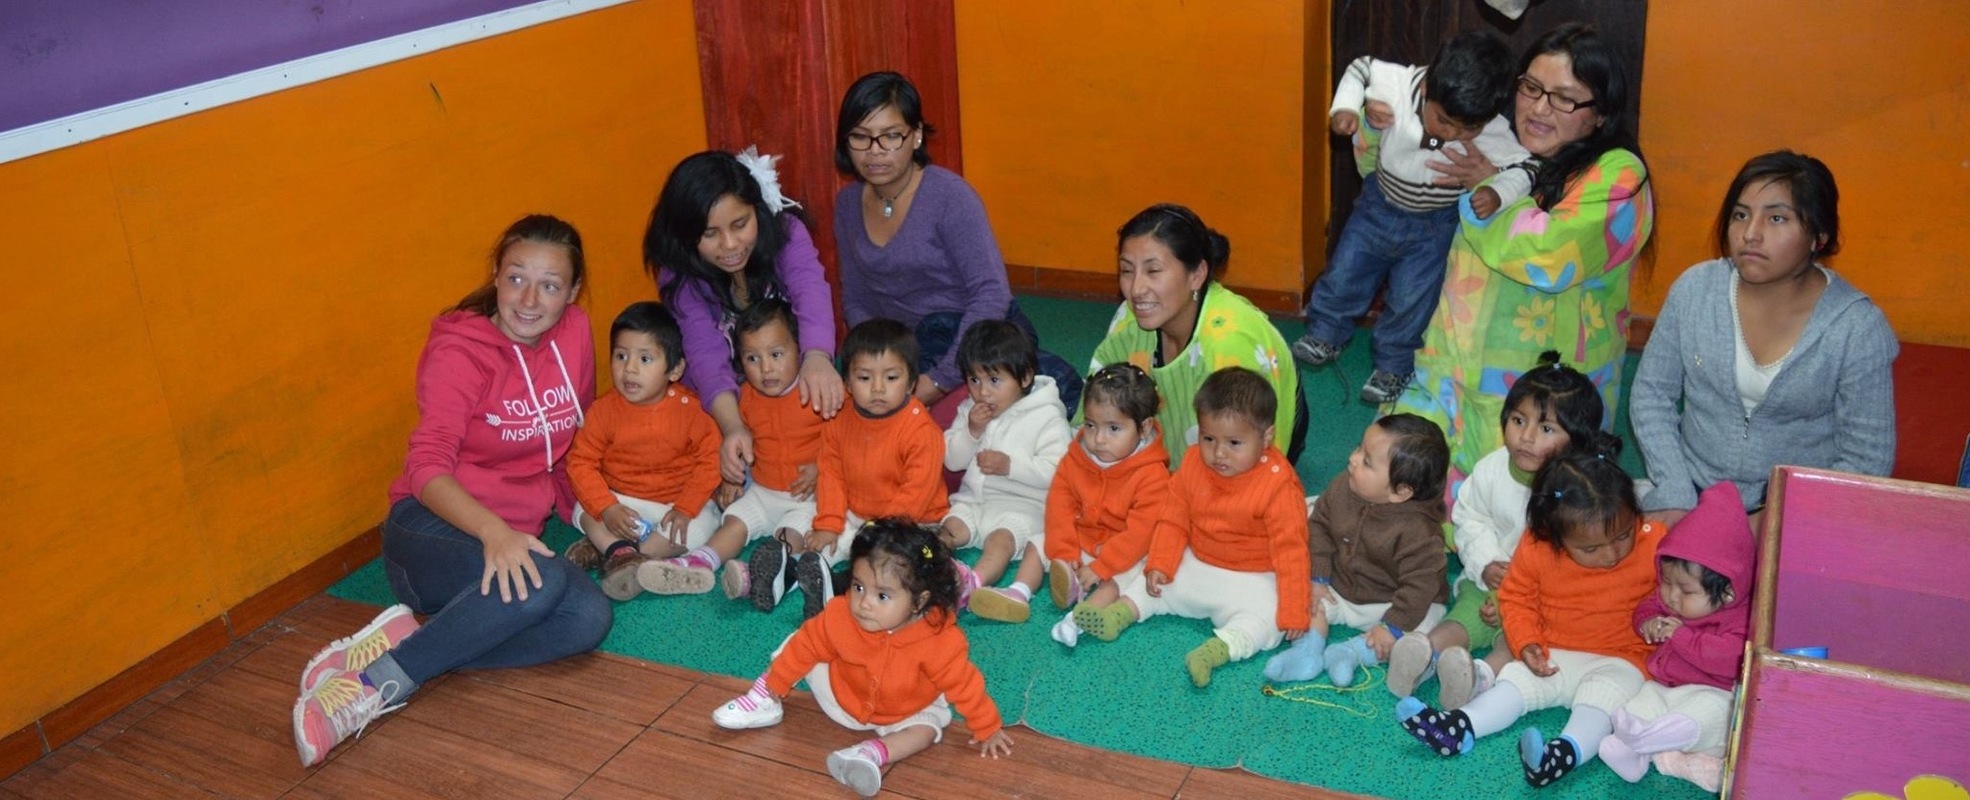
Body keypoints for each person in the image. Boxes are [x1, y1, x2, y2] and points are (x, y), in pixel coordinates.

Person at [293, 215, 610, 766]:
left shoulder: (575, 334)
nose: (529, 300)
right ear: (495, 273)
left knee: (587, 620)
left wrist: (590, 518)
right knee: (543, 582)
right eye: (516, 278)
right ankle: (375, 687)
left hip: (509, 543)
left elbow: (567, 442)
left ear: (573, 292)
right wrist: (494, 533)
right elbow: (425, 466)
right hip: (430, 532)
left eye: (551, 285)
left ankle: (411, 642)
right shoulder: (459, 350)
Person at [1390, 22, 1656, 492]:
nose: (1537, 107)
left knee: (1527, 520)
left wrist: (1490, 187)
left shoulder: (1620, 176)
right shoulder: (1498, 142)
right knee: (1388, 480)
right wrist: (1379, 125)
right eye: (1531, 87)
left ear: (1600, 114)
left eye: (1565, 98)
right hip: (1451, 365)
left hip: (1541, 399)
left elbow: (1549, 258)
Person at [1630, 150, 1896, 524]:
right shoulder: (1695, 291)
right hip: (1690, 494)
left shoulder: (1856, 328)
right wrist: (1675, 492)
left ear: (1818, 236)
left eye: (1776, 218)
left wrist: (1772, 524)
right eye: (1741, 215)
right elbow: (1652, 396)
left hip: (1797, 515)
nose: (1751, 234)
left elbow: (1867, 460)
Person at [1395, 437, 1665, 788]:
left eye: (1623, 536)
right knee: (1514, 685)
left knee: (1602, 703)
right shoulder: (1537, 547)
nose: (1612, 554)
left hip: (1624, 658)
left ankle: (1562, 754)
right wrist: (1526, 643)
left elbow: (1679, 591)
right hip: (1554, 650)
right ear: (1554, 536)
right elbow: (1517, 596)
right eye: (1592, 548)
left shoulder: (1655, 540)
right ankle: (1459, 726)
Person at [1293, 30, 1534, 404]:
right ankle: (1326, 332)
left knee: (1412, 300)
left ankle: (1394, 366)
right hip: (1378, 208)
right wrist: (1344, 108)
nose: (1452, 133)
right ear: (1425, 90)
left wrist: (1496, 189)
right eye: (1444, 120)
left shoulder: (1489, 126)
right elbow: (1360, 69)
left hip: (1433, 228)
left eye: (1468, 128)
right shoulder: (1401, 83)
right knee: (1346, 272)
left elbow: (1527, 165)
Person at [831, 71, 1082, 419]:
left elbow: (991, 294)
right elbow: (856, 296)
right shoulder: (847, 204)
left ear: (916, 135)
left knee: (952, 446)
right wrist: (878, 364)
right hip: (903, 352)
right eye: (860, 137)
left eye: (890, 136)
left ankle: (1033, 376)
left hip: (970, 339)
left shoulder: (951, 197)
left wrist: (940, 379)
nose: (875, 152)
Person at [712, 519, 1013, 798]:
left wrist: (987, 727)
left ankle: (870, 754)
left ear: (919, 602)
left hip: (901, 712)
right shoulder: (841, 615)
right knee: (803, 640)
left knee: (929, 726)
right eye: (858, 587)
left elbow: (964, 685)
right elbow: (806, 648)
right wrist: (779, 681)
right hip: (839, 693)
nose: (864, 603)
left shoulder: (940, 641)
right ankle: (765, 696)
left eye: (882, 596)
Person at [1073, 368, 1311, 687]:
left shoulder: (1279, 486)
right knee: (1151, 579)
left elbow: (1291, 552)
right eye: (1208, 438)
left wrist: (1295, 609)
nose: (1218, 453)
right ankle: (1119, 614)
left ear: (1266, 437)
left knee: (1269, 619)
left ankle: (1218, 649)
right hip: (1198, 561)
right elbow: (1173, 518)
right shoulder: (1193, 462)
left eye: (1234, 443)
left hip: (1255, 575)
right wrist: (1160, 562)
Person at [1392, 351, 1604, 708]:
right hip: (1490, 581)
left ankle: (1478, 677)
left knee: (1522, 639)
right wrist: (1487, 563)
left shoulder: (1579, 491)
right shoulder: (1492, 468)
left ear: (1577, 440)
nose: (1527, 436)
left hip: (1544, 599)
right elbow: (1470, 517)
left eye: (1547, 429)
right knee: (1463, 617)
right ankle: (1424, 652)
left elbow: (1579, 554)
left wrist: (1515, 601)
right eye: (1519, 421)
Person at [645, 148, 842, 491]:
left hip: (788, 381)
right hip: (719, 398)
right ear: (685, 236)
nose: (730, 244)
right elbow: (704, 353)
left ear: (759, 212)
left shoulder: (787, 234)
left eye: (740, 225)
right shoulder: (679, 274)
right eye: (710, 234)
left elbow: (811, 292)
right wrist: (733, 426)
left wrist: (817, 357)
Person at [634, 300, 825, 608]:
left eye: (776, 354)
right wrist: (733, 478)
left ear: (800, 350)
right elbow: (736, 445)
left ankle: (762, 576)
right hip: (762, 491)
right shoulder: (744, 398)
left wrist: (820, 468)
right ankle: (699, 563)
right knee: (733, 523)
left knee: (792, 537)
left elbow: (846, 441)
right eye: (752, 358)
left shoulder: (816, 390)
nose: (765, 369)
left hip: (806, 499)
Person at [1090, 204, 1306, 468]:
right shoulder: (1129, 319)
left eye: (1153, 271)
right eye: (1126, 270)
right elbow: (1093, 411)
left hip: (1255, 432)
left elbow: (1250, 458)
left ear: (1197, 275)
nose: (1136, 289)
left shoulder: (1230, 345)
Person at [1263, 414, 1451, 688]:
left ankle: (1350, 653)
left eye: (1366, 461)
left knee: (1429, 622)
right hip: (1338, 588)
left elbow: (1419, 586)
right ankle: (1308, 651)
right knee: (1302, 597)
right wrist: (1317, 579)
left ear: (1401, 492)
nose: (1353, 458)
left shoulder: (1420, 532)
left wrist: (1393, 626)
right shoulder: (1343, 486)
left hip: (1391, 602)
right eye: (1359, 448)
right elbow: (1319, 528)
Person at [1601, 481, 1756, 793]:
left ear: (1727, 592)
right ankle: (1649, 750)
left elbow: (1731, 660)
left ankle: (1652, 741)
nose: (1670, 596)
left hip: (1714, 692)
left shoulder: (1742, 616)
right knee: (1639, 706)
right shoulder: (1672, 598)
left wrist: (1681, 636)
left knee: (1711, 715)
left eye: (1684, 590)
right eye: (1666, 582)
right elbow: (1647, 606)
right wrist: (1647, 623)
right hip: (1666, 686)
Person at [561, 302, 722, 601]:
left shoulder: (691, 411)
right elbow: (581, 463)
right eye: (621, 356)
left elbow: (710, 459)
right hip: (623, 503)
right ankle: (617, 550)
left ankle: (630, 555)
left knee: (704, 524)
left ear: (674, 370)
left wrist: (685, 508)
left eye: (645, 358)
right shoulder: (604, 411)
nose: (630, 368)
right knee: (582, 510)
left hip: (674, 504)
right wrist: (607, 507)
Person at [802, 319, 949, 619]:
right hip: (858, 515)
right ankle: (790, 576)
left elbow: (916, 493)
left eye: (891, 377)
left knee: (901, 567)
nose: (878, 388)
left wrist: (880, 534)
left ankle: (837, 588)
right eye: (865, 378)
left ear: (910, 383)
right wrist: (829, 523)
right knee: (824, 547)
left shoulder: (920, 429)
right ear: (846, 383)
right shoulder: (839, 419)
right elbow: (831, 472)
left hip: (913, 522)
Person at [941, 321, 1073, 623]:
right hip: (973, 502)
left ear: (1025, 377)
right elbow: (952, 460)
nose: (982, 392)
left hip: (1022, 507)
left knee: (999, 541)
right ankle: (926, 569)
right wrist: (972, 431)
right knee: (948, 530)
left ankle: (973, 582)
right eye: (974, 380)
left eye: (994, 380)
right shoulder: (969, 411)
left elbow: (1059, 472)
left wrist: (1010, 465)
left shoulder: (1047, 415)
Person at [1042, 364, 1170, 647]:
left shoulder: (1152, 474)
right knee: (1034, 543)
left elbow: (1140, 535)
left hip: (1123, 553)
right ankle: (1019, 589)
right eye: (1090, 425)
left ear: (1144, 427)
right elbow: (1059, 504)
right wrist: (1064, 551)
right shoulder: (1078, 454)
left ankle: (1076, 620)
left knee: (1121, 579)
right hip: (1082, 541)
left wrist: (1102, 567)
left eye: (1114, 428)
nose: (1098, 439)